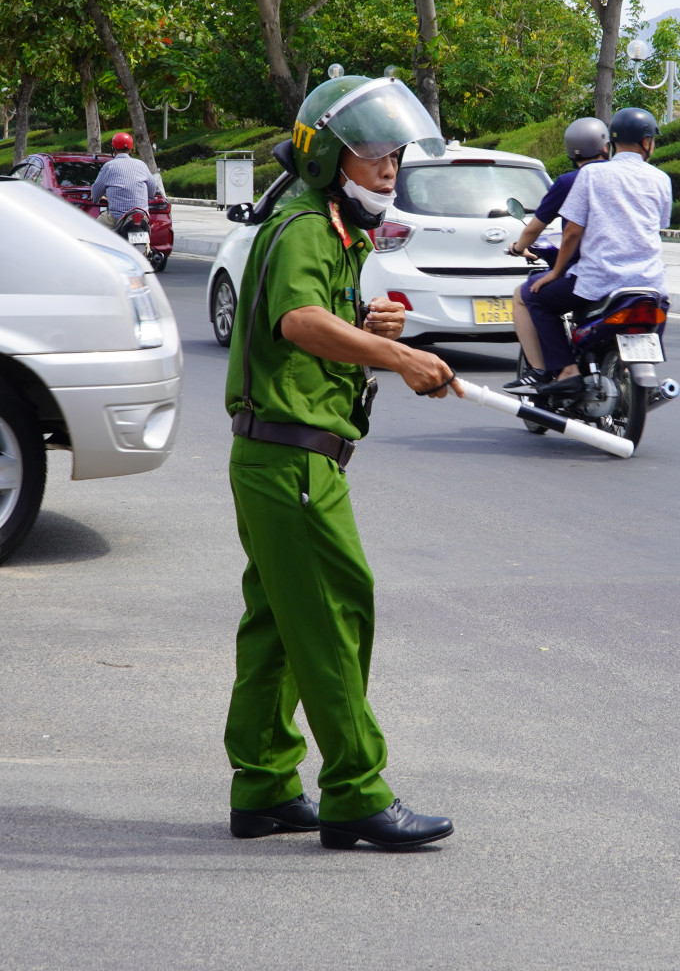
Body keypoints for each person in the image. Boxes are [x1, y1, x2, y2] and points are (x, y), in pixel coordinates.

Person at [223, 73, 463, 851]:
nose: (388, 168)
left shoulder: (325, 225)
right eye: (370, 152)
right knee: (333, 615)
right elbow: (296, 321)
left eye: (394, 153)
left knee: (279, 626)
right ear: (328, 157)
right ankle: (357, 792)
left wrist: (365, 321)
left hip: (281, 456)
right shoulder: (302, 227)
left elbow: (310, 317)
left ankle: (262, 785)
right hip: (292, 462)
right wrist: (397, 354)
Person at [518, 107, 671, 388]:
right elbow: (657, 225)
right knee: (660, 307)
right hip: (651, 284)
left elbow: (573, 232)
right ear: (647, 142)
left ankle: (565, 370)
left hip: (599, 279)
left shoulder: (591, 175)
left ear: (612, 142)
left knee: (534, 296)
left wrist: (555, 272)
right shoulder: (662, 179)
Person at [506, 116, 611, 391]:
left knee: (528, 295)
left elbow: (537, 229)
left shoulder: (568, 182)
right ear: (606, 148)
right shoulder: (621, 178)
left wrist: (518, 248)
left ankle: (551, 369)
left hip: (587, 274)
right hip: (632, 275)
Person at [89, 132, 164, 230]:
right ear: (131, 149)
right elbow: (152, 189)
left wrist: (94, 199)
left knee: (96, 228)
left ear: (113, 148)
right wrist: (149, 196)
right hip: (142, 216)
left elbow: (96, 191)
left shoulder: (109, 166)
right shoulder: (141, 165)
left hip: (117, 218)